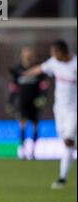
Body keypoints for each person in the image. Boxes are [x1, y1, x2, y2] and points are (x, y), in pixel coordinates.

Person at [24, 40, 77, 189]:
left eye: (55, 53)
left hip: (74, 109)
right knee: (68, 142)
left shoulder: (75, 64)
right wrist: (24, 74)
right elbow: (41, 68)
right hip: (59, 109)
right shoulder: (54, 62)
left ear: (62, 52)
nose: (52, 55)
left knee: (68, 141)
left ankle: (62, 178)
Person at [8, 46, 50, 159]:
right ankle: (22, 149)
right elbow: (13, 88)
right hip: (23, 101)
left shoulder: (38, 70)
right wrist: (11, 102)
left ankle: (34, 150)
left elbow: (44, 86)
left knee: (35, 125)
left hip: (34, 102)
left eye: (29, 53)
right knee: (22, 124)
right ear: (22, 55)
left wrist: (42, 98)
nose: (28, 55)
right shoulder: (17, 70)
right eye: (26, 53)